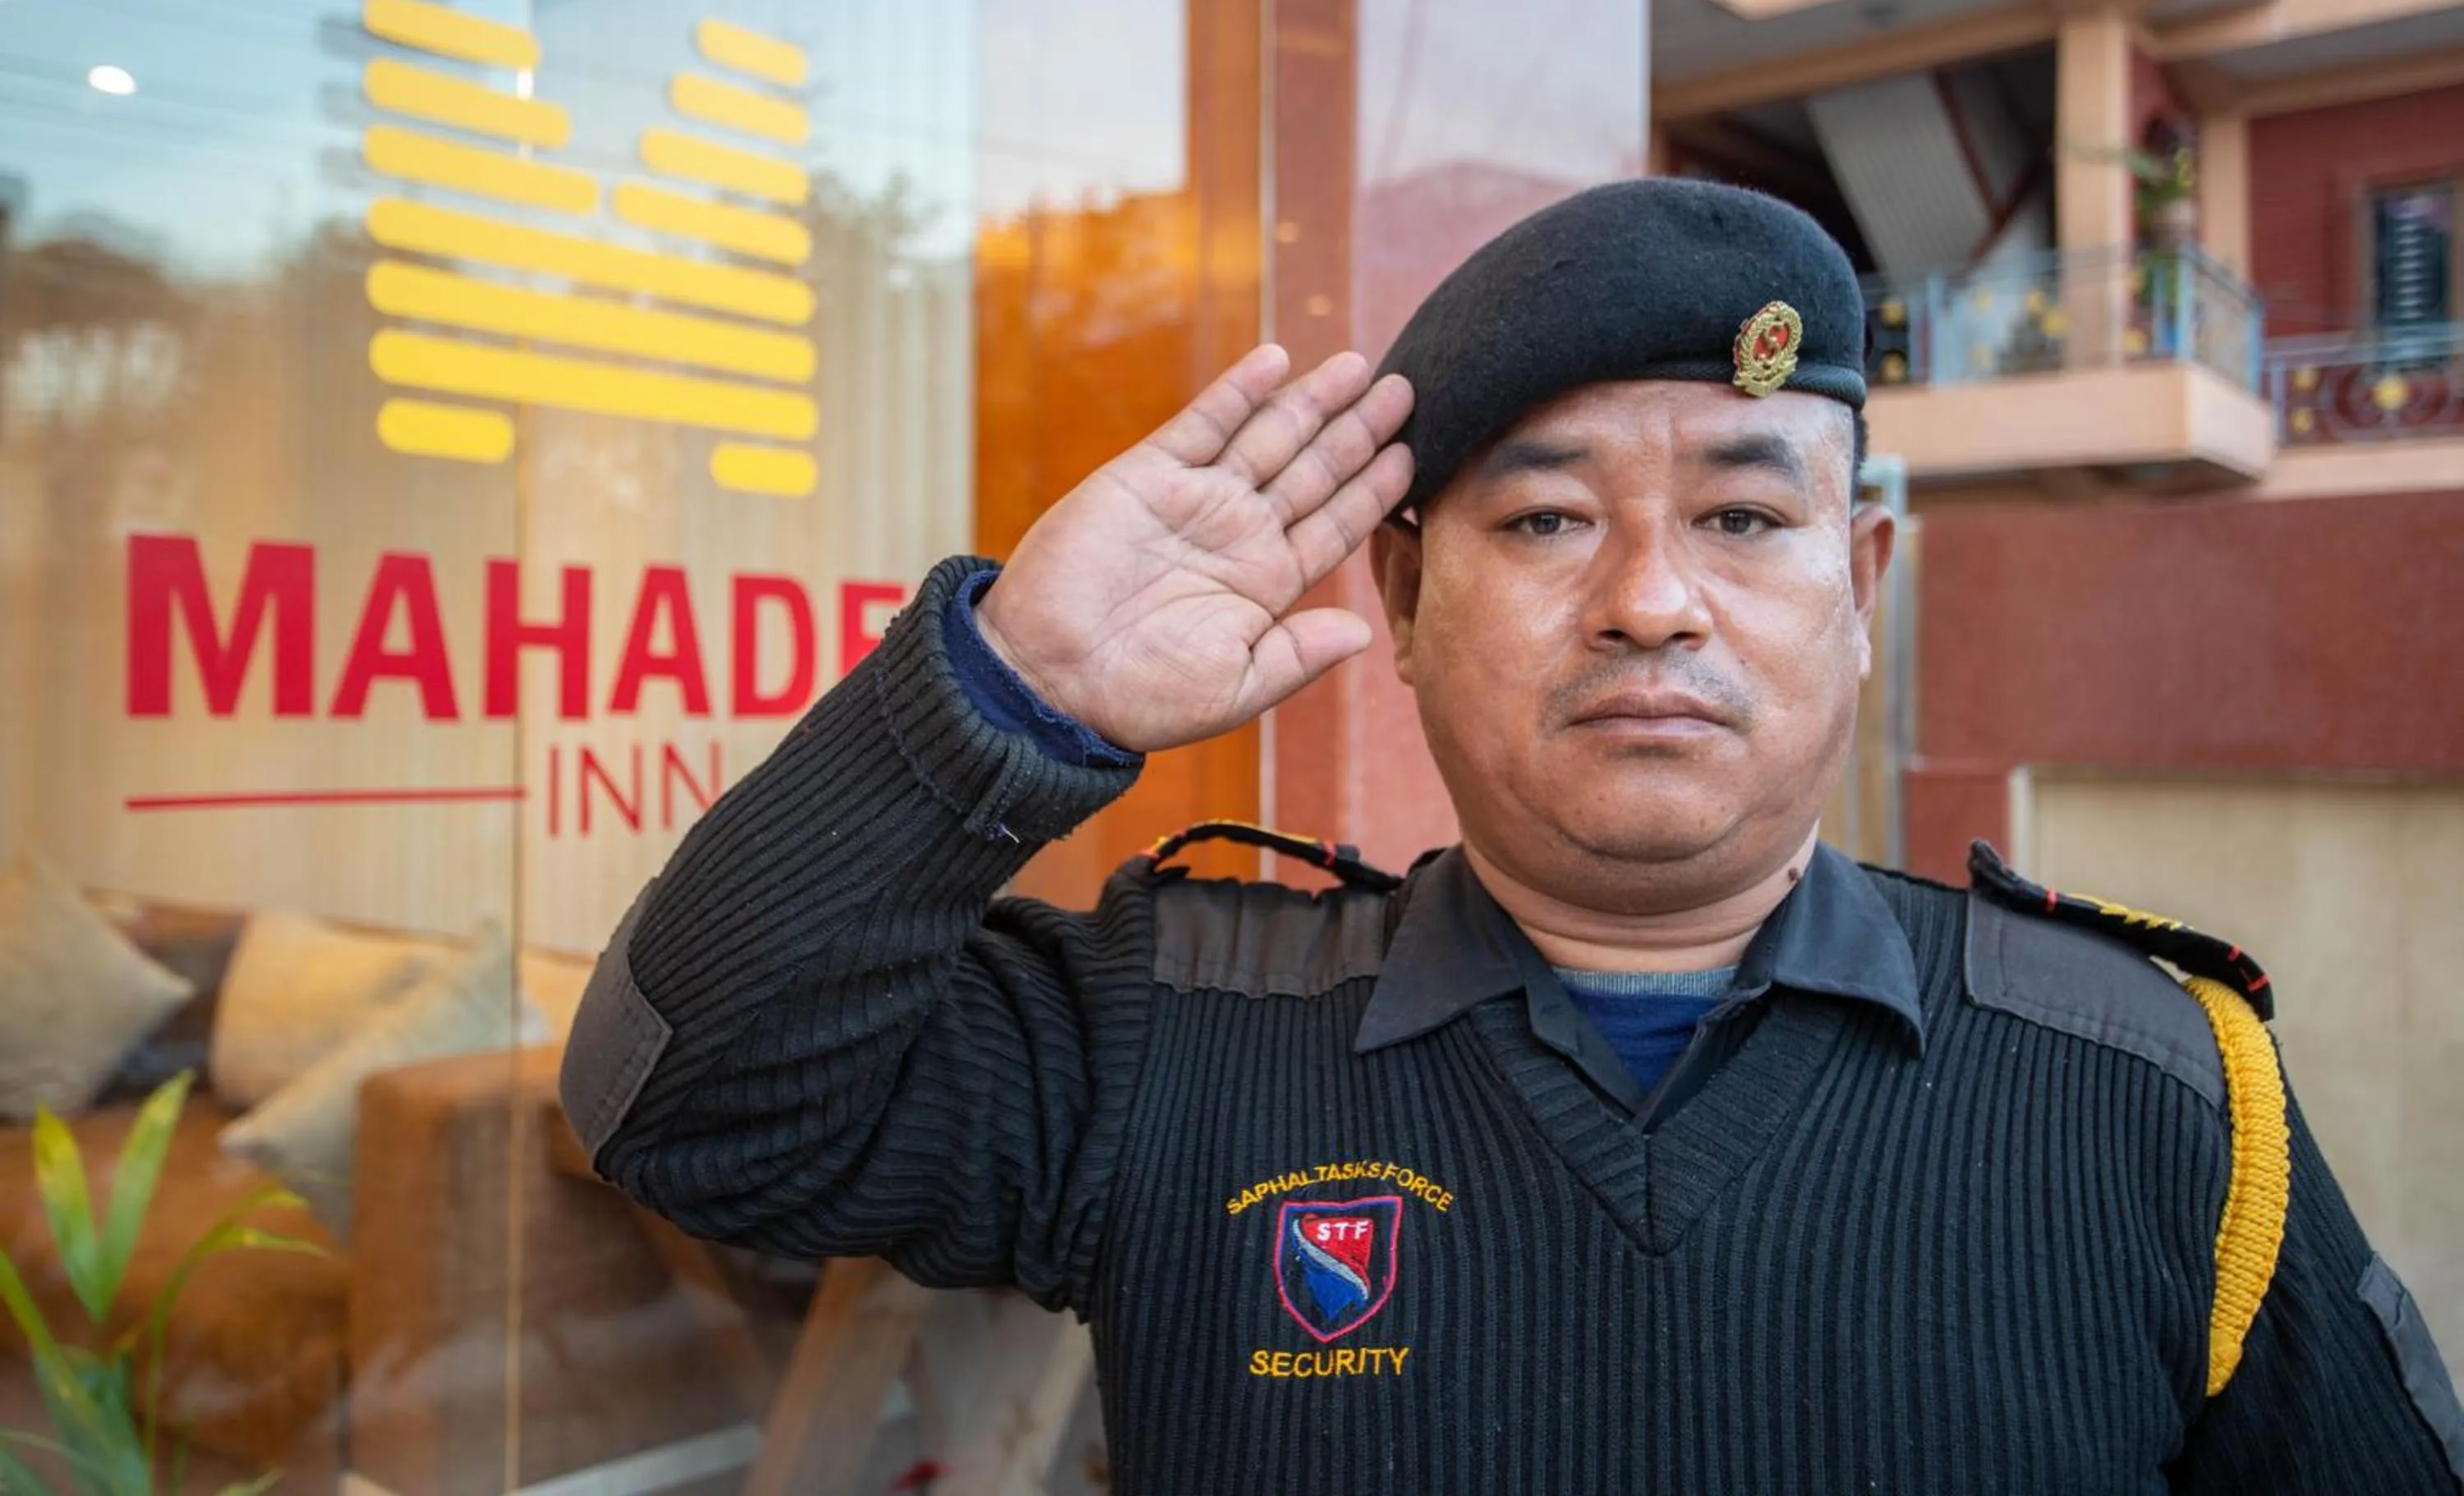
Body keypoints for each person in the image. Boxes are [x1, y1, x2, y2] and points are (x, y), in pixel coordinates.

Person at [560, 179, 2464, 1494]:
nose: (1651, 601)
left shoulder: (2155, 1089)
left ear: (1862, 579)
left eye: (1744, 517)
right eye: (1545, 521)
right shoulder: (1173, 1032)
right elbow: (684, 1098)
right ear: (1400, 597)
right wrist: (1007, 695)